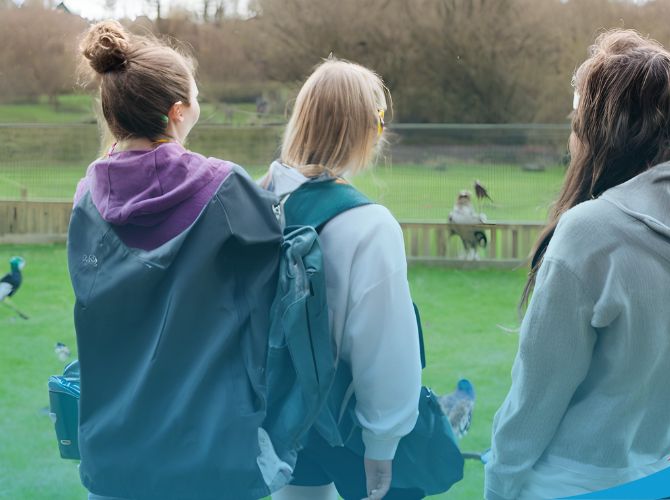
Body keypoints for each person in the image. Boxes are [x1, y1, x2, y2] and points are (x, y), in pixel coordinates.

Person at [485, 29, 670, 500]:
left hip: (569, 484)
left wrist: (498, 483)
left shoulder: (588, 233)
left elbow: (535, 400)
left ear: (596, 126)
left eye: (576, 114)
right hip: (660, 476)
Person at [70, 20, 289, 499]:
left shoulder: (85, 198)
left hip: (113, 458)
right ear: (177, 113)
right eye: (196, 97)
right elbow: (285, 264)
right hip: (210, 457)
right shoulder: (227, 189)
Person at [263, 58, 423, 500]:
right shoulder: (369, 224)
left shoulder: (254, 200)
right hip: (339, 428)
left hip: (266, 420)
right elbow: (386, 348)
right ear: (368, 131)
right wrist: (383, 442)